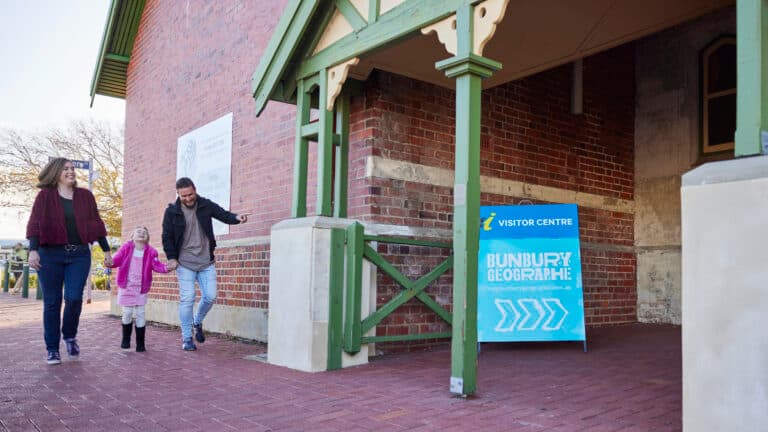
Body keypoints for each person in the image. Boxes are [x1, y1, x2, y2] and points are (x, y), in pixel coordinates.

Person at [26, 158, 112, 365]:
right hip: (50, 255)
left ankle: (70, 335)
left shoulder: (85, 196)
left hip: (79, 255)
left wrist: (107, 250)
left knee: (74, 298)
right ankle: (53, 349)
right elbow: (35, 224)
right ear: (56, 173)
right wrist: (33, 251)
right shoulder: (44, 197)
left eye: (72, 169)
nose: (71, 172)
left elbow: (96, 223)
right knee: (52, 303)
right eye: (66, 169)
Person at [161, 177, 248, 351]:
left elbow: (223, 214)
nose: (188, 198)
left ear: (195, 189)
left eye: (190, 194)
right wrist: (172, 257)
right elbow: (167, 236)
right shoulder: (172, 212)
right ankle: (187, 338)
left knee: (210, 296)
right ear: (178, 194)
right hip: (184, 262)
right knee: (188, 299)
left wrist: (237, 218)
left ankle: (197, 321)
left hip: (205, 261)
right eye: (183, 195)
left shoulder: (205, 205)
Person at [107, 226, 170, 352]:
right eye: (138, 232)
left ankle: (140, 343)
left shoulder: (151, 252)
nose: (141, 233)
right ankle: (126, 339)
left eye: (144, 232)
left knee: (140, 313)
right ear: (132, 236)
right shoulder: (126, 248)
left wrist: (167, 268)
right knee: (128, 313)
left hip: (141, 288)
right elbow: (117, 259)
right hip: (127, 286)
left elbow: (156, 265)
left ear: (147, 238)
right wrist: (109, 261)